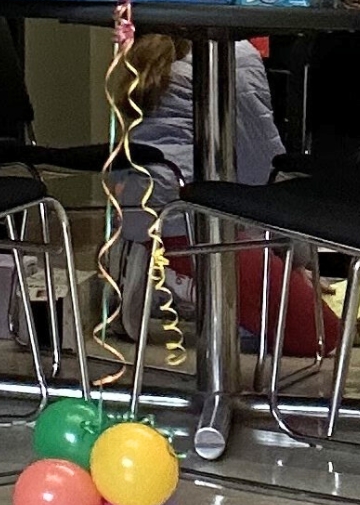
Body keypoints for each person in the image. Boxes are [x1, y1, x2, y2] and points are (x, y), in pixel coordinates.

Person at [119, 34, 336, 358]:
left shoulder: (146, 53)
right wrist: (297, 257)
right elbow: (265, 168)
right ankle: (195, 287)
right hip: (197, 225)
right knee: (322, 336)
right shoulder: (237, 54)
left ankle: (172, 278)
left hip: (143, 215)